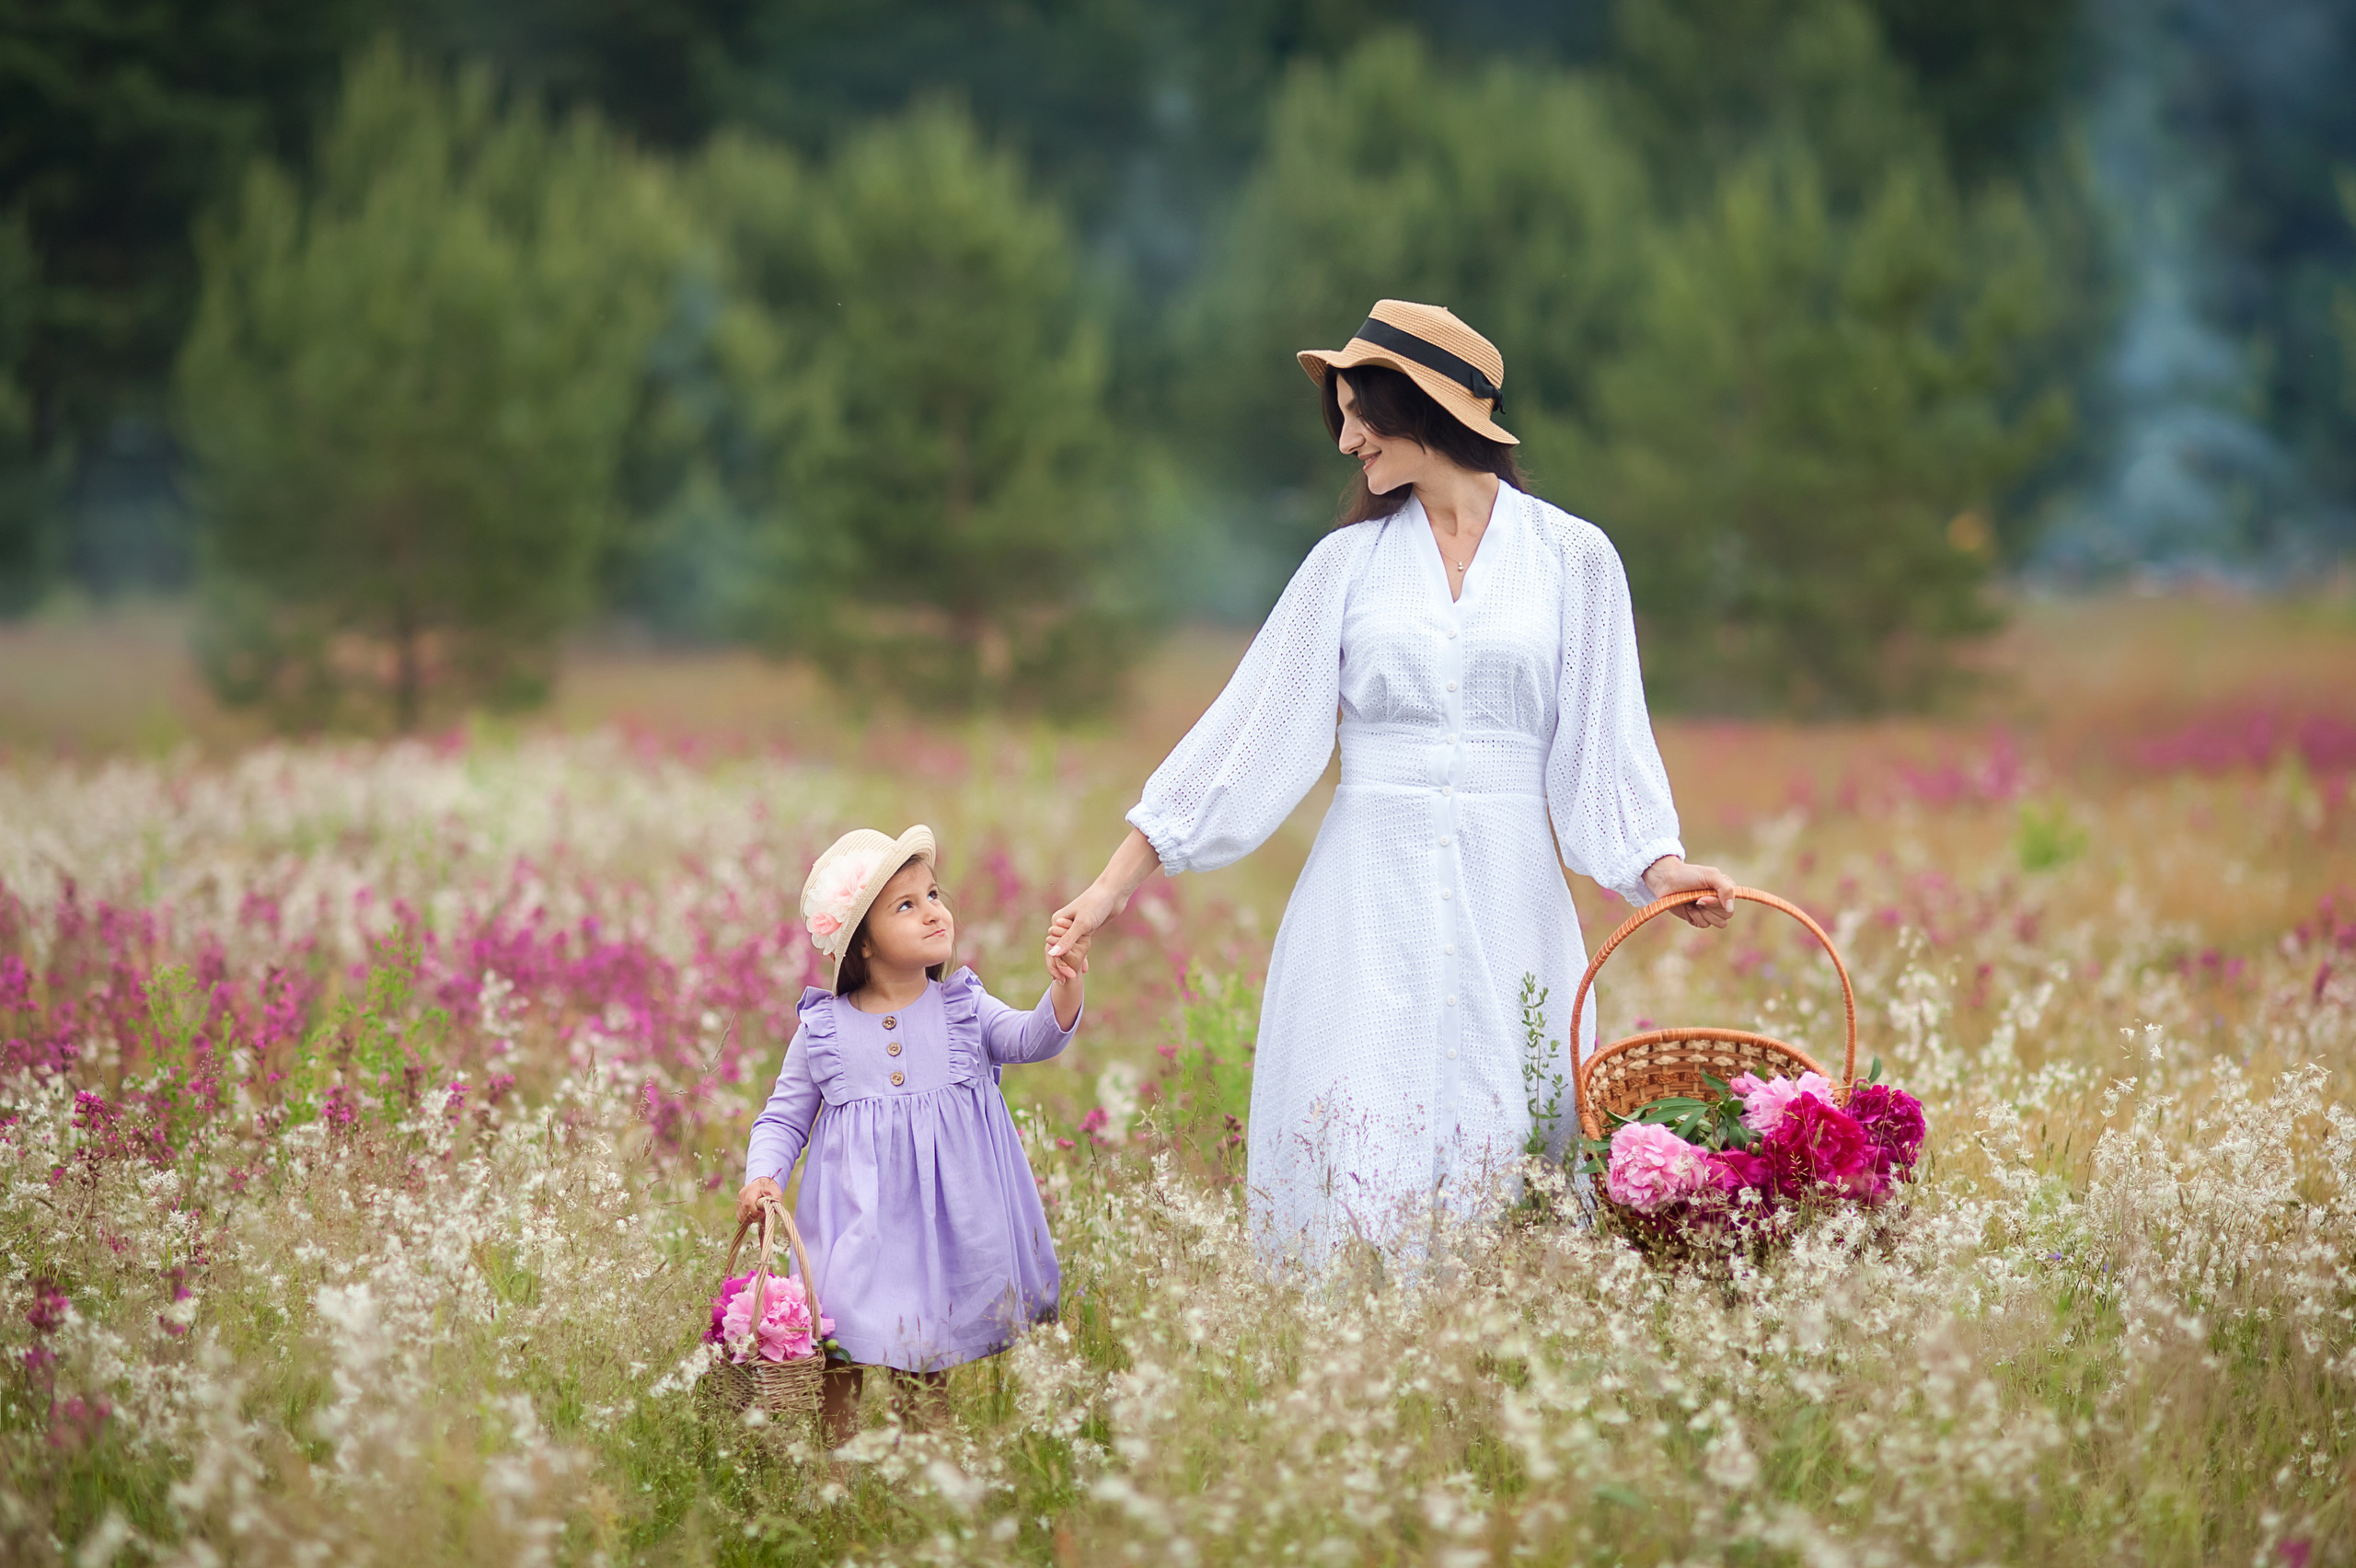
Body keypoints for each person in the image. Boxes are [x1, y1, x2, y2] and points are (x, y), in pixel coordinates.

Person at [1046, 300, 1734, 1262]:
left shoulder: (1574, 561)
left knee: (1512, 1117)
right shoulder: (1346, 566)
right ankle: (1343, 1359)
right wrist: (1110, 884)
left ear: (1429, 406)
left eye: (1360, 409)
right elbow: (1246, 734)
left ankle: (1488, 1353)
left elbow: (1604, 744)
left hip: (1510, 899)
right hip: (1364, 900)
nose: (1345, 437)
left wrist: (1660, 869)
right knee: (1356, 1124)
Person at [740, 825, 1080, 1445]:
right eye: (906, 905)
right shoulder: (823, 1028)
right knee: (839, 1358)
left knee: (920, 1371)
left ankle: (926, 1486)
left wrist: (1064, 987)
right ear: (862, 944)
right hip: (850, 1227)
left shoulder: (963, 1008)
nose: (932, 912)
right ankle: (834, 1483)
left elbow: (1033, 1039)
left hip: (932, 1235)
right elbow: (784, 1117)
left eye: (933, 894)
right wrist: (762, 1176)